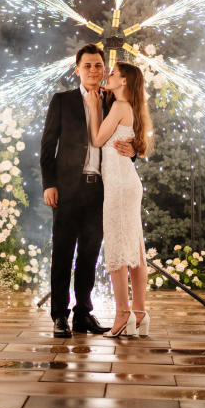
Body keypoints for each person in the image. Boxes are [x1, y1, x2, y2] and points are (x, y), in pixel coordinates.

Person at [41, 44, 137, 338]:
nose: (94, 71)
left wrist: (133, 151)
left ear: (104, 70)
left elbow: (127, 139)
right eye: (88, 66)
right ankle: (60, 315)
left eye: (98, 66)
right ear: (78, 70)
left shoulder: (113, 102)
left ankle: (83, 314)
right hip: (68, 189)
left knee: (89, 255)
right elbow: (47, 146)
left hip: (100, 191)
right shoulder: (62, 101)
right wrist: (50, 184)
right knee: (62, 254)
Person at [86, 61, 152, 337]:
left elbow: (98, 139)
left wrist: (92, 107)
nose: (107, 76)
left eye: (113, 73)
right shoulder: (132, 107)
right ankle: (139, 313)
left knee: (116, 250)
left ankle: (123, 314)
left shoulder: (120, 107)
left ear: (124, 81)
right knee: (135, 251)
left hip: (118, 186)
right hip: (127, 182)